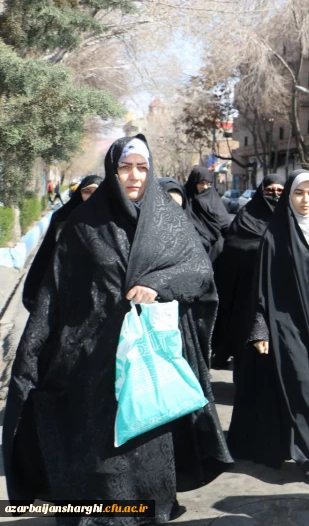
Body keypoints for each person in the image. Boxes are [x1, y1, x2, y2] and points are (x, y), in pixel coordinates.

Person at [3, 135, 232, 519]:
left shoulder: (167, 219)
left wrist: (158, 285)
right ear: (113, 169)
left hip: (146, 357)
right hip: (90, 357)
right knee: (99, 448)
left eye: (142, 168)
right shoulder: (83, 224)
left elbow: (198, 272)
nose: (134, 176)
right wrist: (34, 350)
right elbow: (55, 291)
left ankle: (149, 509)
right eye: (126, 167)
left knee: (145, 441)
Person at [228, 171, 309, 485]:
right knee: (300, 382)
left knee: (306, 387)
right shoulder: (275, 234)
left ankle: (284, 443)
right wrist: (260, 329)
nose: (305, 200)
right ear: (288, 197)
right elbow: (262, 289)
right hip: (284, 322)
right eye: (298, 194)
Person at [211, 175, 285, 369]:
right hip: (249, 287)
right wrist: (261, 250)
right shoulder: (247, 215)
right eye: (270, 190)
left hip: (280, 289)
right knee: (247, 335)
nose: (275, 194)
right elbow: (234, 245)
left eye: (280, 190)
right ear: (262, 191)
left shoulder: (289, 216)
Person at [22, 175, 103, 313]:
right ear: (80, 193)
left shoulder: (110, 222)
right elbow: (46, 254)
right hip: (63, 287)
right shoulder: (62, 218)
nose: (91, 197)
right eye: (87, 192)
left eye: (96, 192)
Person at [184, 167, 231, 261]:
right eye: (201, 183)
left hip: (216, 250)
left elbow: (226, 224)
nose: (205, 187)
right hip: (193, 251)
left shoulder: (213, 198)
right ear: (194, 182)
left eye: (208, 184)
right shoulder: (186, 200)